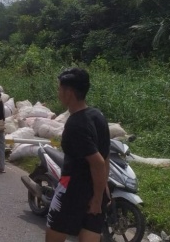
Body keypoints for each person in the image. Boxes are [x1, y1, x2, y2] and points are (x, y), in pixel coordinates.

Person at [46, 68, 110, 242]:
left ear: (69, 92)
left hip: (72, 189)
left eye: (60, 89)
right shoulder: (98, 116)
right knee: (89, 229)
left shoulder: (75, 124)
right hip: (96, 189)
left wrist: (97, 199)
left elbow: (97, 162)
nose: (58, 93)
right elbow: (106, 156)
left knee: (54, 232)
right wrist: (101, 190)